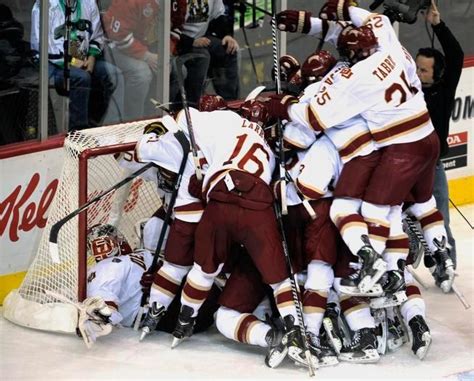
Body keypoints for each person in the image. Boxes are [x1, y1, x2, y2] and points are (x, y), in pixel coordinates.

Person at [415, 1, 464, 271]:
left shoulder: (442, 91)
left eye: (424, 70)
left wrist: (438, 25)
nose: (418, 72)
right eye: (417, 67)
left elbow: (455, 56)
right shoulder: (406, 88)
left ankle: (446, 269)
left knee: (440, 219)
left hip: (431, 167)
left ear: (437, 72)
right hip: (401, 166)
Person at [31, 0, 123, 130]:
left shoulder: (89, 3)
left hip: (83, 58)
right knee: (81, 78)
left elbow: (97, 36)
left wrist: (92, 57)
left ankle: (109, 127)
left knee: (114, 74)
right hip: (52, 63)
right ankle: (79, 131)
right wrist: (73, 62)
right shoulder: (46, 5)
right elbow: (46, 48)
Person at [102, 0, 187, 121]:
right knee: (141, 74)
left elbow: (177, 27)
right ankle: (132, 121)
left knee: (178, 70)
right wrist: (146, 56)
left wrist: (166, 53)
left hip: (151, 46)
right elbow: (118, 36)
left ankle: (158, 116)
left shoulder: (178, 2)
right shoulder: (130, 2)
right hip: (116, 47)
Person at [175, 0, 240, 106]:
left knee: (229, 50)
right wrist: (190, 42)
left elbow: (218, 16)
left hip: (201, 38)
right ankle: (191, 107)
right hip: (177, 42)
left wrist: (227, 35)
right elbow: (168, 28)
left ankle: (230, 104)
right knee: (201, 56)